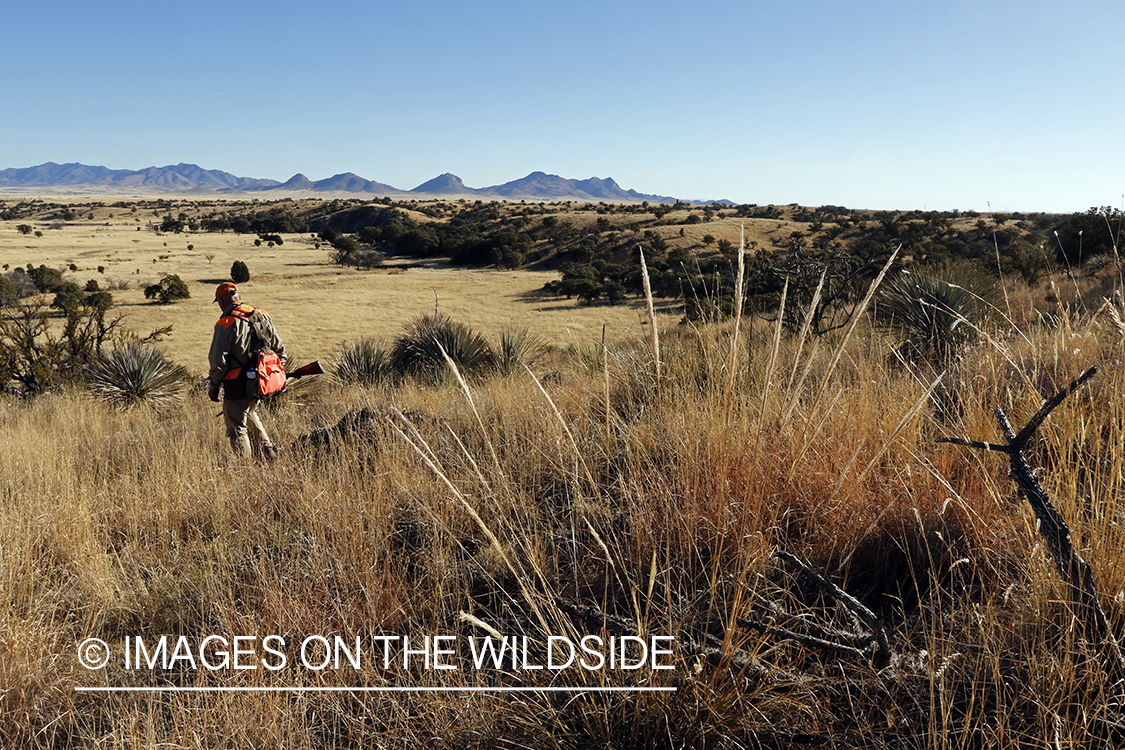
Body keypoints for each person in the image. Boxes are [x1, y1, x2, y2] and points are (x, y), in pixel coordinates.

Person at [207, 282, 285, 459]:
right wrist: (279, 373)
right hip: (262, 380)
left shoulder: (226, 323)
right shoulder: (262, 315)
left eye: (219, 301)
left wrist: (214, 386)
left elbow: (217, 360)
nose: (219, 305)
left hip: (237, 383)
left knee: (236, 427)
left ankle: (245, 469)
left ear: (223, 300)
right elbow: (279, 348)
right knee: (249, 412)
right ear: (238, 297)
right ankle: (268, 451)